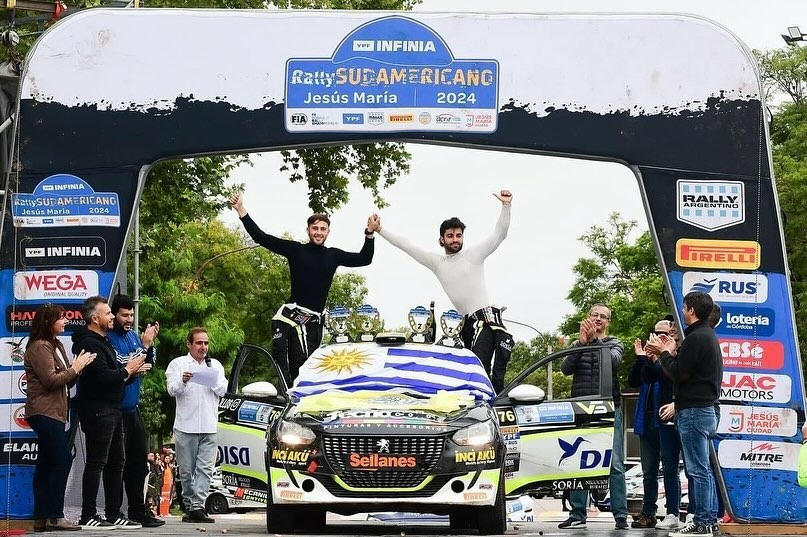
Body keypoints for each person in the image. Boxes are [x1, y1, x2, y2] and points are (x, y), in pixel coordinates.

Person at [374, 190, 514, 392]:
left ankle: (491, 410)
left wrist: (506, 206)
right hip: (463, 325)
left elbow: (499, 234)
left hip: (485, 322)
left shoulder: (474, 254)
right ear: (442, 239)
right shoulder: (437, 263)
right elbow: (408, 246)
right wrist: (380, 230)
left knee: (480, 370)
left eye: (458, 235)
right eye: (450, 236)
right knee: (466, 373)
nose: (455, 239)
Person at [230, 193, 377, 382]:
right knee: (297, 367)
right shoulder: (296, 250)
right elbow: (262, 238)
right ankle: (288, 395)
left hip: (315, 323)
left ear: (328, 232)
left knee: (313, 368)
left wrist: (370, 233)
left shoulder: (333, 255)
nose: (318, 232)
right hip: (293, 318)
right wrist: (241, 209)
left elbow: (365, 259)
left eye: (323, 229)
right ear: (308, 230)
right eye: (315, 228)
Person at [646, 292, 722, 537]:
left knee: (697, 470)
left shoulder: (696, 337)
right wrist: (669, 352)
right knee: (703, 469)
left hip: (694, 411)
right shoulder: (708, 335)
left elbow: (679, 373)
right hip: (706, 410)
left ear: (690, 310)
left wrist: (663, 353)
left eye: (683, 307)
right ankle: (708, 520)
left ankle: (701, 522)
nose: (681, 311)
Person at [73, 296, 147, 530]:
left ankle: (113, 512)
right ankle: (88, 514)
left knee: (117, 462)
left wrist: (130, 373)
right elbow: (102, 377)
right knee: (97, 462)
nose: (112, 317)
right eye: (108, 313)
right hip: (98, 410)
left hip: (114, 409)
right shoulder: (89, 343)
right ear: (95, 319)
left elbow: (114, 376)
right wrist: (127, 370)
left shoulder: (103, 341)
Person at [24, 304, 96, 532]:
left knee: (46, 463)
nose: (65, 321)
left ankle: (42, 517)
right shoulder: (39, 346)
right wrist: (75, 367)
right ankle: (54, 514)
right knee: (62, 459)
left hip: (56, 413)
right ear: (47, 322)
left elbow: (68, 381)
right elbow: (51, 380)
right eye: (61, 318)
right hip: (43, 411)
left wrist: (79, 367)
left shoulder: (56, 346)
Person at [558, 304, 628, 530]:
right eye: (594, 315)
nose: (598, 319)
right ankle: (577, 514)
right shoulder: (578, 343)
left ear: (608, 322)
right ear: (587, 317)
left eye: (603, 316)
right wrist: (580, 344)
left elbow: (612, 361)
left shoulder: (615, 343)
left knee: (614, 463)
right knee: (579, 461)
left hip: (608, 407)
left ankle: (621, 516)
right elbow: (565, 369)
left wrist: (594, 342)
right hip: (580, 407)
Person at [106, 294, 165, 527]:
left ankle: (137, 510)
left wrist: (148, 345)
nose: (129, 319)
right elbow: (120, 370)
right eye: (124, 315)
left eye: (131, 315)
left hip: (133, 408)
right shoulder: (108, 339)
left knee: (139, 464)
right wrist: (143, 351)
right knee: (117, 464)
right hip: (116, 410)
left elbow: (148, 363)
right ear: (115, 315)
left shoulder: (133, 336)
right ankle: (115, 511)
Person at [166, 327, 228, 523]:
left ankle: (198, 507)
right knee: (187, 471)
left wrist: (212, 379)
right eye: (199, 343)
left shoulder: (215, 365)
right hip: (186, 426)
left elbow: (224, 390)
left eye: (206, 343)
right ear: (189, 344)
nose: (203, 347)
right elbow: (171, 390)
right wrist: (183, 381)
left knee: (205, 469)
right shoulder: (178, 364)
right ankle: (190, 504)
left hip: (209, 425)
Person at [628, 319, 682, 530]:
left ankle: (673, 512)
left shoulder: (674, 356)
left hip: (667, 418)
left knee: (670, 468)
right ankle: (648, 512)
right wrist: (643, 359)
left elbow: (670, 379)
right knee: (648, 471)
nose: (659, 337)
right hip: (647, 417)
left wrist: (663, 356)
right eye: (656, 332)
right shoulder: (651, 357)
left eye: (665, 333)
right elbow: (637, 380)